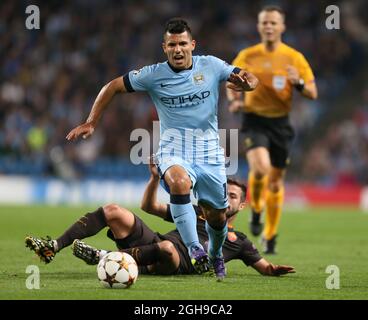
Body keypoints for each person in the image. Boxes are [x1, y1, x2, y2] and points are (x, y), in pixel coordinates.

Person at [65, 18, 258, 279]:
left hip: (209, 151)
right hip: (173, 148)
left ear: (192, 44)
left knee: (217, 216)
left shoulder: (210, 65)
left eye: (182, 44)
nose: (177, 49)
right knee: (179, 183)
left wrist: (250, 84)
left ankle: (214, 255)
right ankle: (194, 249)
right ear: (164, 47)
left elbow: (247, 75)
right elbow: (112, 87)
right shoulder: (153, 74)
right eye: (171, 45)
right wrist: (91, 121)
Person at [25, 160, 295, 278]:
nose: (228, 198)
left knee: (166, 249)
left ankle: (104, 257)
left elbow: (264, 267)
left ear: (242, 205)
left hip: (177, 263)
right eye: (226, 193)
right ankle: (53, 246)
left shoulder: (240, 242)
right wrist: (155, 179)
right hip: (155, 242)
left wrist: (274, 270)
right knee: (113, 210)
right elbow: (149, 207)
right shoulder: (196, 212)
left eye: (234, 196)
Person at [226, 5, 318, 254]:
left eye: (273, 23)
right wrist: (235, 100)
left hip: (281, 124)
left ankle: (271, 234)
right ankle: (256, 208)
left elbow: (312, 92)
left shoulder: (294, 58)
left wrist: (297, 81)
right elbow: (230, 78)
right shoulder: (248, 55)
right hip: (254, 120)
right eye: (264, 22)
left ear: (282, 27)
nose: (268, 26)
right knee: (261, 167)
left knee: (276, 183)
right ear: (259, 26)